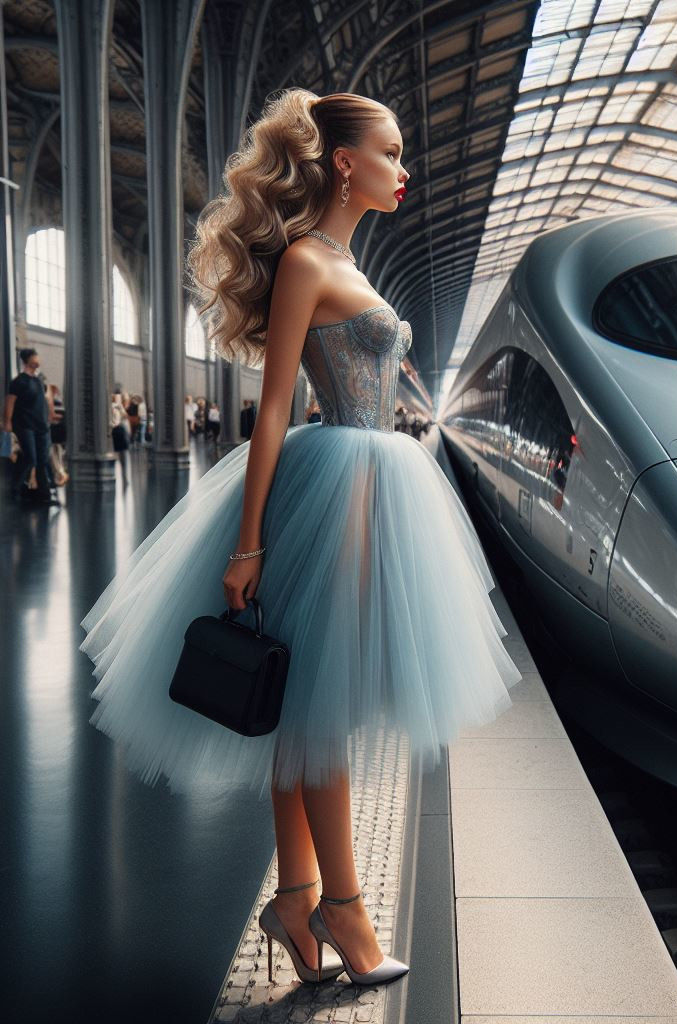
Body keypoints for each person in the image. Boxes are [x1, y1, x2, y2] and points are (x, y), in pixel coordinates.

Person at [77, 89, 521, 989]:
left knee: (311, 705)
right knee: (327, 711)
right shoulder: (307, 266)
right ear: (346, 163)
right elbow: (273, 406)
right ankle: (346, 916)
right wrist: (247, 544)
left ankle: (295, 898)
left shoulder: (345, 262)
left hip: (370, 491)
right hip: (338, 488)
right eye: (393, 153)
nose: (406, 169)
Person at [4, 347, 59, 505]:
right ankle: (15, 490)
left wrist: (50, 417)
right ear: (27, 360)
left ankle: (44, 494)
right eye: (35, 356)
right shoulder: (18, 382)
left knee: (42, 460)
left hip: (41, 426)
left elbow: (45, 401)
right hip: (25, 425)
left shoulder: (38, 380)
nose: (38, 359)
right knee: (30, 459)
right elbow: (10, 403)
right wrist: (7, 422)